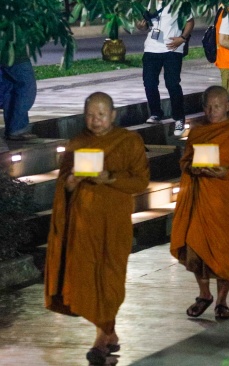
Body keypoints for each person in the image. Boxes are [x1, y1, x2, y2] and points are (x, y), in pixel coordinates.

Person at [44, 92, 150, 365]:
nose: (96, 120)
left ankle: (103, 339)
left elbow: (140, 182)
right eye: (90, 114)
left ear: (113, 115)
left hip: (114, 225)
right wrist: (70, 183)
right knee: (89, 281)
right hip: (83, 226)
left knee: (110, 280)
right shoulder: (77, 143)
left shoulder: (129, 141)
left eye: (101, 114)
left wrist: (110, 178)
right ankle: (105, 339)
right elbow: (62, 189)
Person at [170, 86, 229, 321]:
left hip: (226, 200)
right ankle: (204, 295)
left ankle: (222, 300)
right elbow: (185, 161)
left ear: (228, 106)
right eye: (208, 107)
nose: (212, 111)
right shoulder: (198, 132)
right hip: (200, 198)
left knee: (225, 252)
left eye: (217, 106)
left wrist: (226, 172)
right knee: (195, 250)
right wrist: (192, 167)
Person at [136, 0, 194, 137]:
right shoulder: (150, 3)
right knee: (149, 83)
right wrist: (141, 26)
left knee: (172, 83)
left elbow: (190, 21)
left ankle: (179, 118)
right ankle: (156, 113)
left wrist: (182, 38)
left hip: (172, 48)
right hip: (152, 48)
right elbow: (145, 25)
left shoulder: (180, 3)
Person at [1, 42, 37, 141]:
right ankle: (17, 128)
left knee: (11, 89)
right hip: (14, 54)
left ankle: (14, 129)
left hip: (5, 53)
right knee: (26, 87)